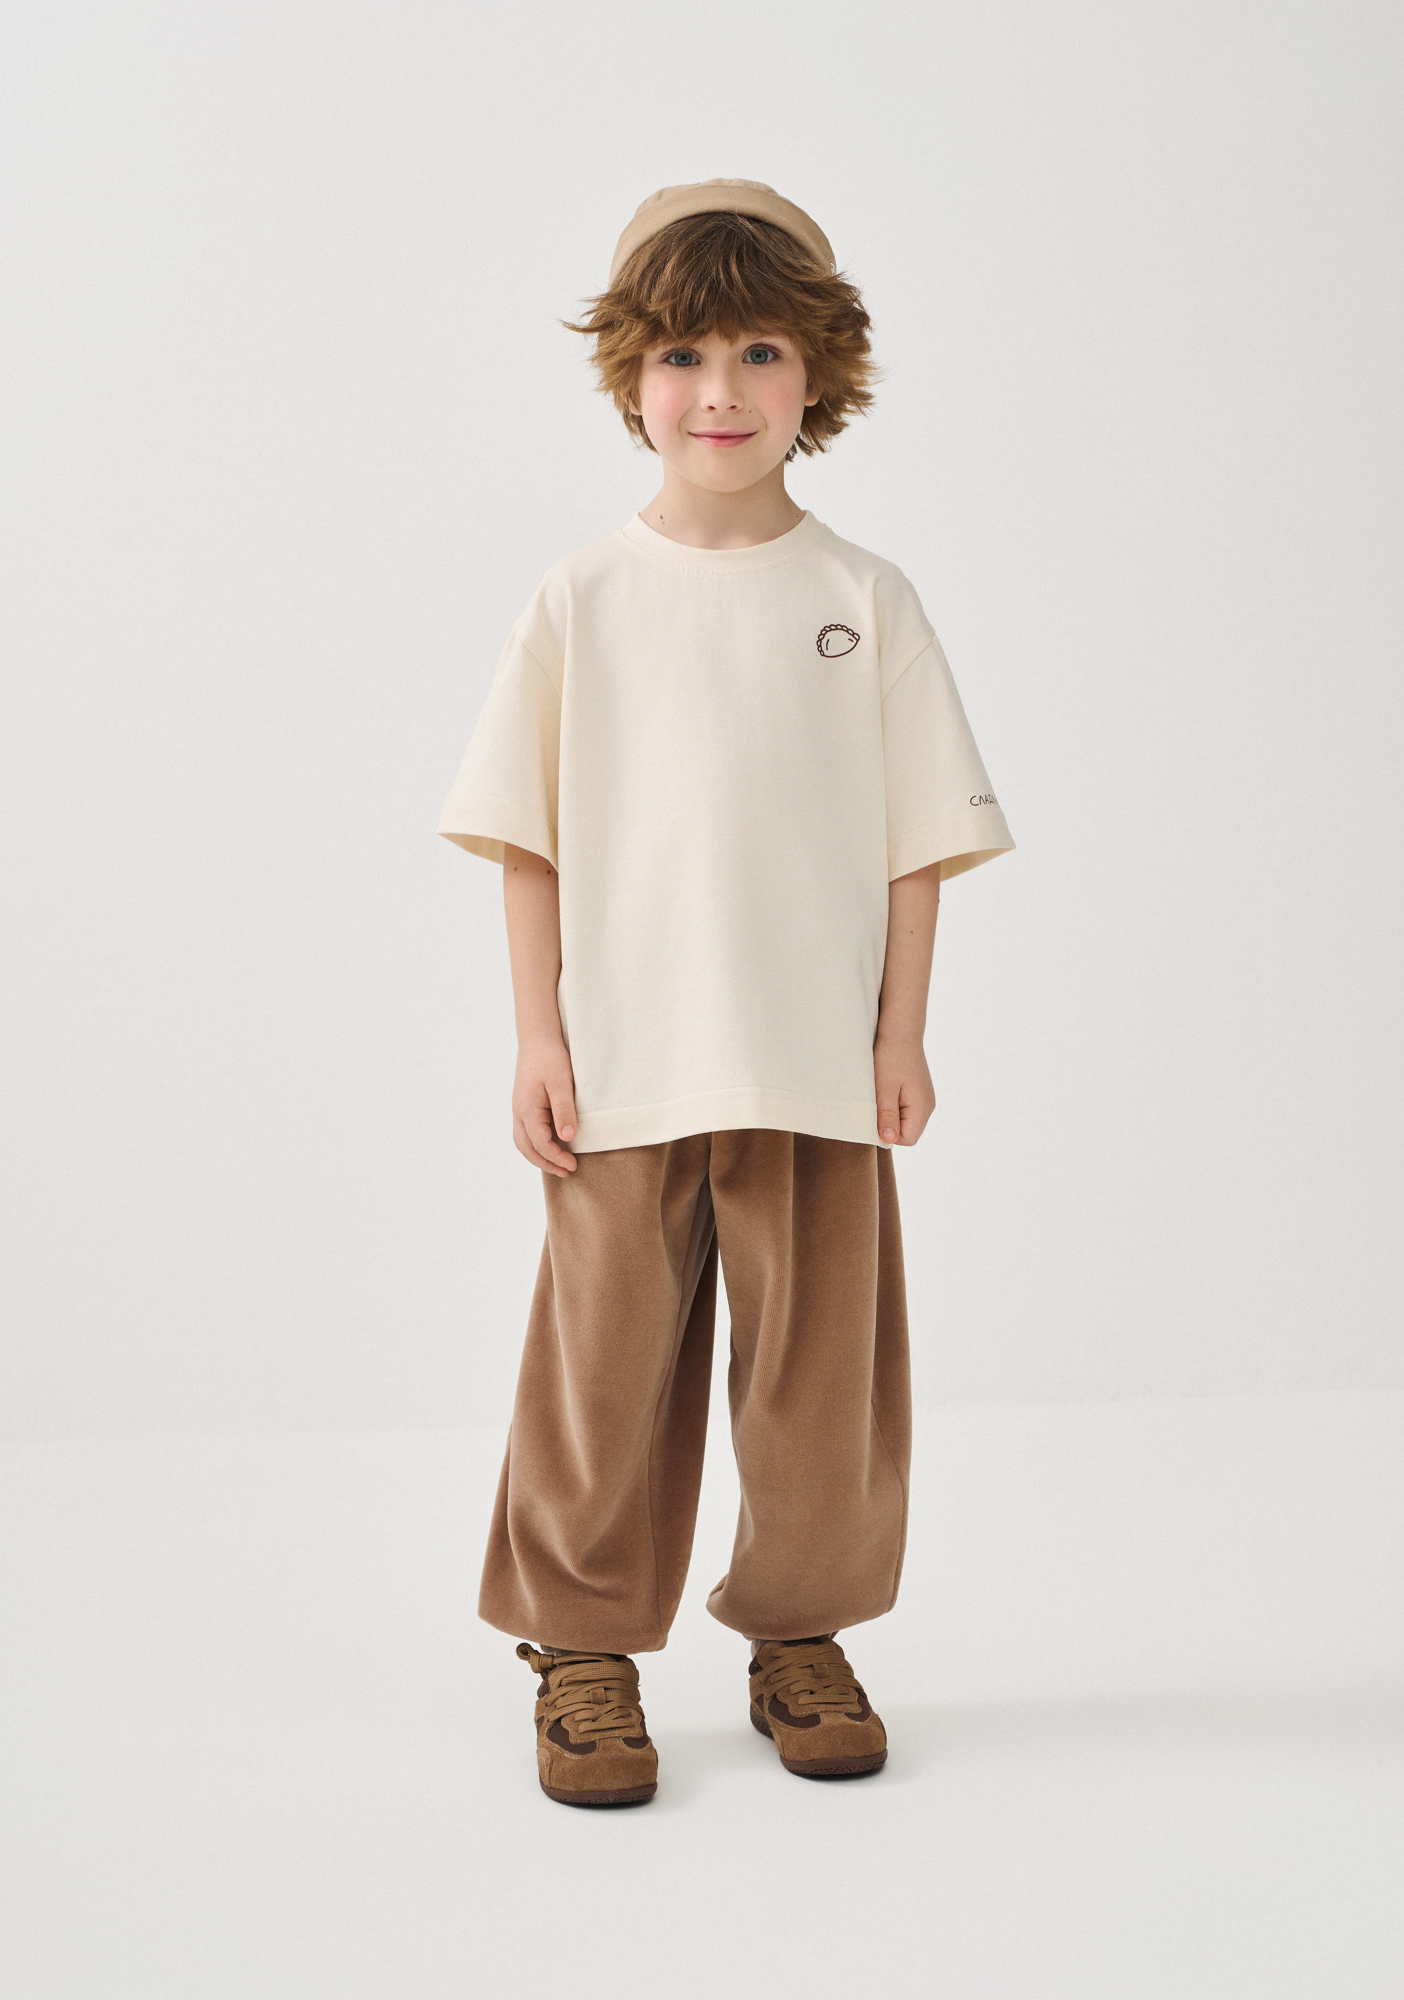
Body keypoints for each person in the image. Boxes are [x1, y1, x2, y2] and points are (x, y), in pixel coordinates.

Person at [438, 179, 1015, 1808]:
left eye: (760, 351)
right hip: (624, 1064)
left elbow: (915, 843)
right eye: (683, 354)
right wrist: (537, 1036)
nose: (720, 391)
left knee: (820, 1378)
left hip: (813, 1060)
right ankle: (580, 1647)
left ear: (817, 372)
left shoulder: (863, 598)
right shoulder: (582, 600)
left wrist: (900, 1031)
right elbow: (527, 838)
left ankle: (800, 1633)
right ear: (630, 375)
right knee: (599, 1371)